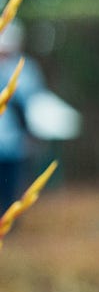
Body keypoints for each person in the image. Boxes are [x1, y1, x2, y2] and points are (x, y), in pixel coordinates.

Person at [0, 23, 45, 207]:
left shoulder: (27, 70)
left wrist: (32, 134)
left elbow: (34, 105)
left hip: (15, 143)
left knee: (11, 188)